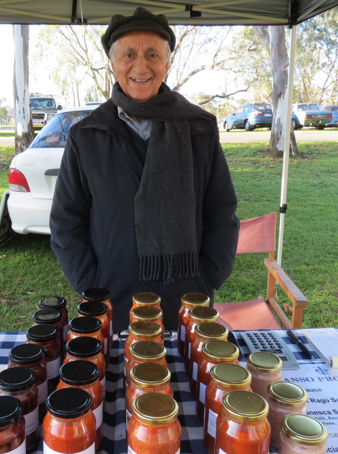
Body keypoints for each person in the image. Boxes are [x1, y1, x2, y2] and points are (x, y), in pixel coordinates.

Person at [50, 7, 240, 331]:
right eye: (129, 54)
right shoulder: (87, 135)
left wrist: (207, 277)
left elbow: (222, 212)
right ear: (112, 63)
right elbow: (67, 221)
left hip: (186, 304)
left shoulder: (200, 128)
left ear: (167, 62)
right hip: (113, 302)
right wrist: (92, 284)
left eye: (152, 54)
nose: (141, 66)